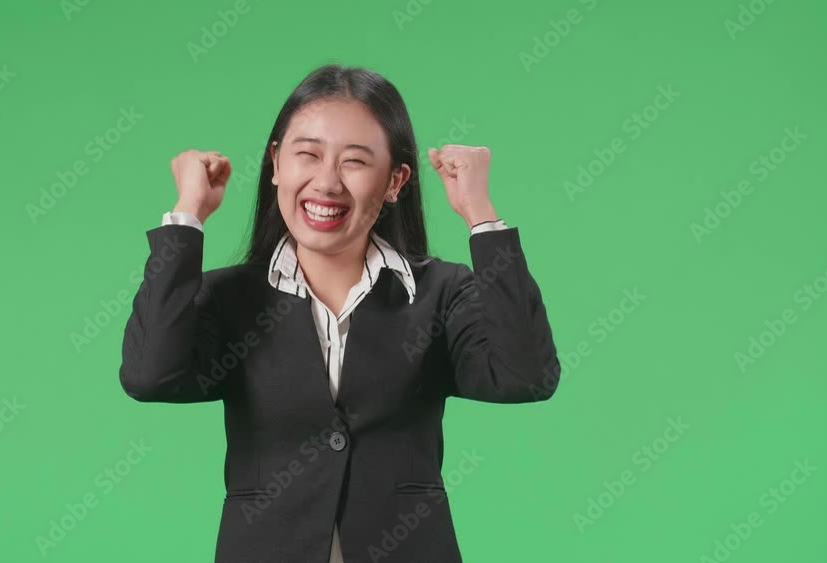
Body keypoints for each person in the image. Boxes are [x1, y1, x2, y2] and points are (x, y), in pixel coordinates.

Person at [119, 64, 560, 563]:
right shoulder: (231, 298)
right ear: (275, 164)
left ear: (395, 181)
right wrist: (187, 215)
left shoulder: (440, 292)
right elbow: (150, 375)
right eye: (306, 154)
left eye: (354, 162)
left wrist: (480, 214)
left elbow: (525, 376)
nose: (326, 182)